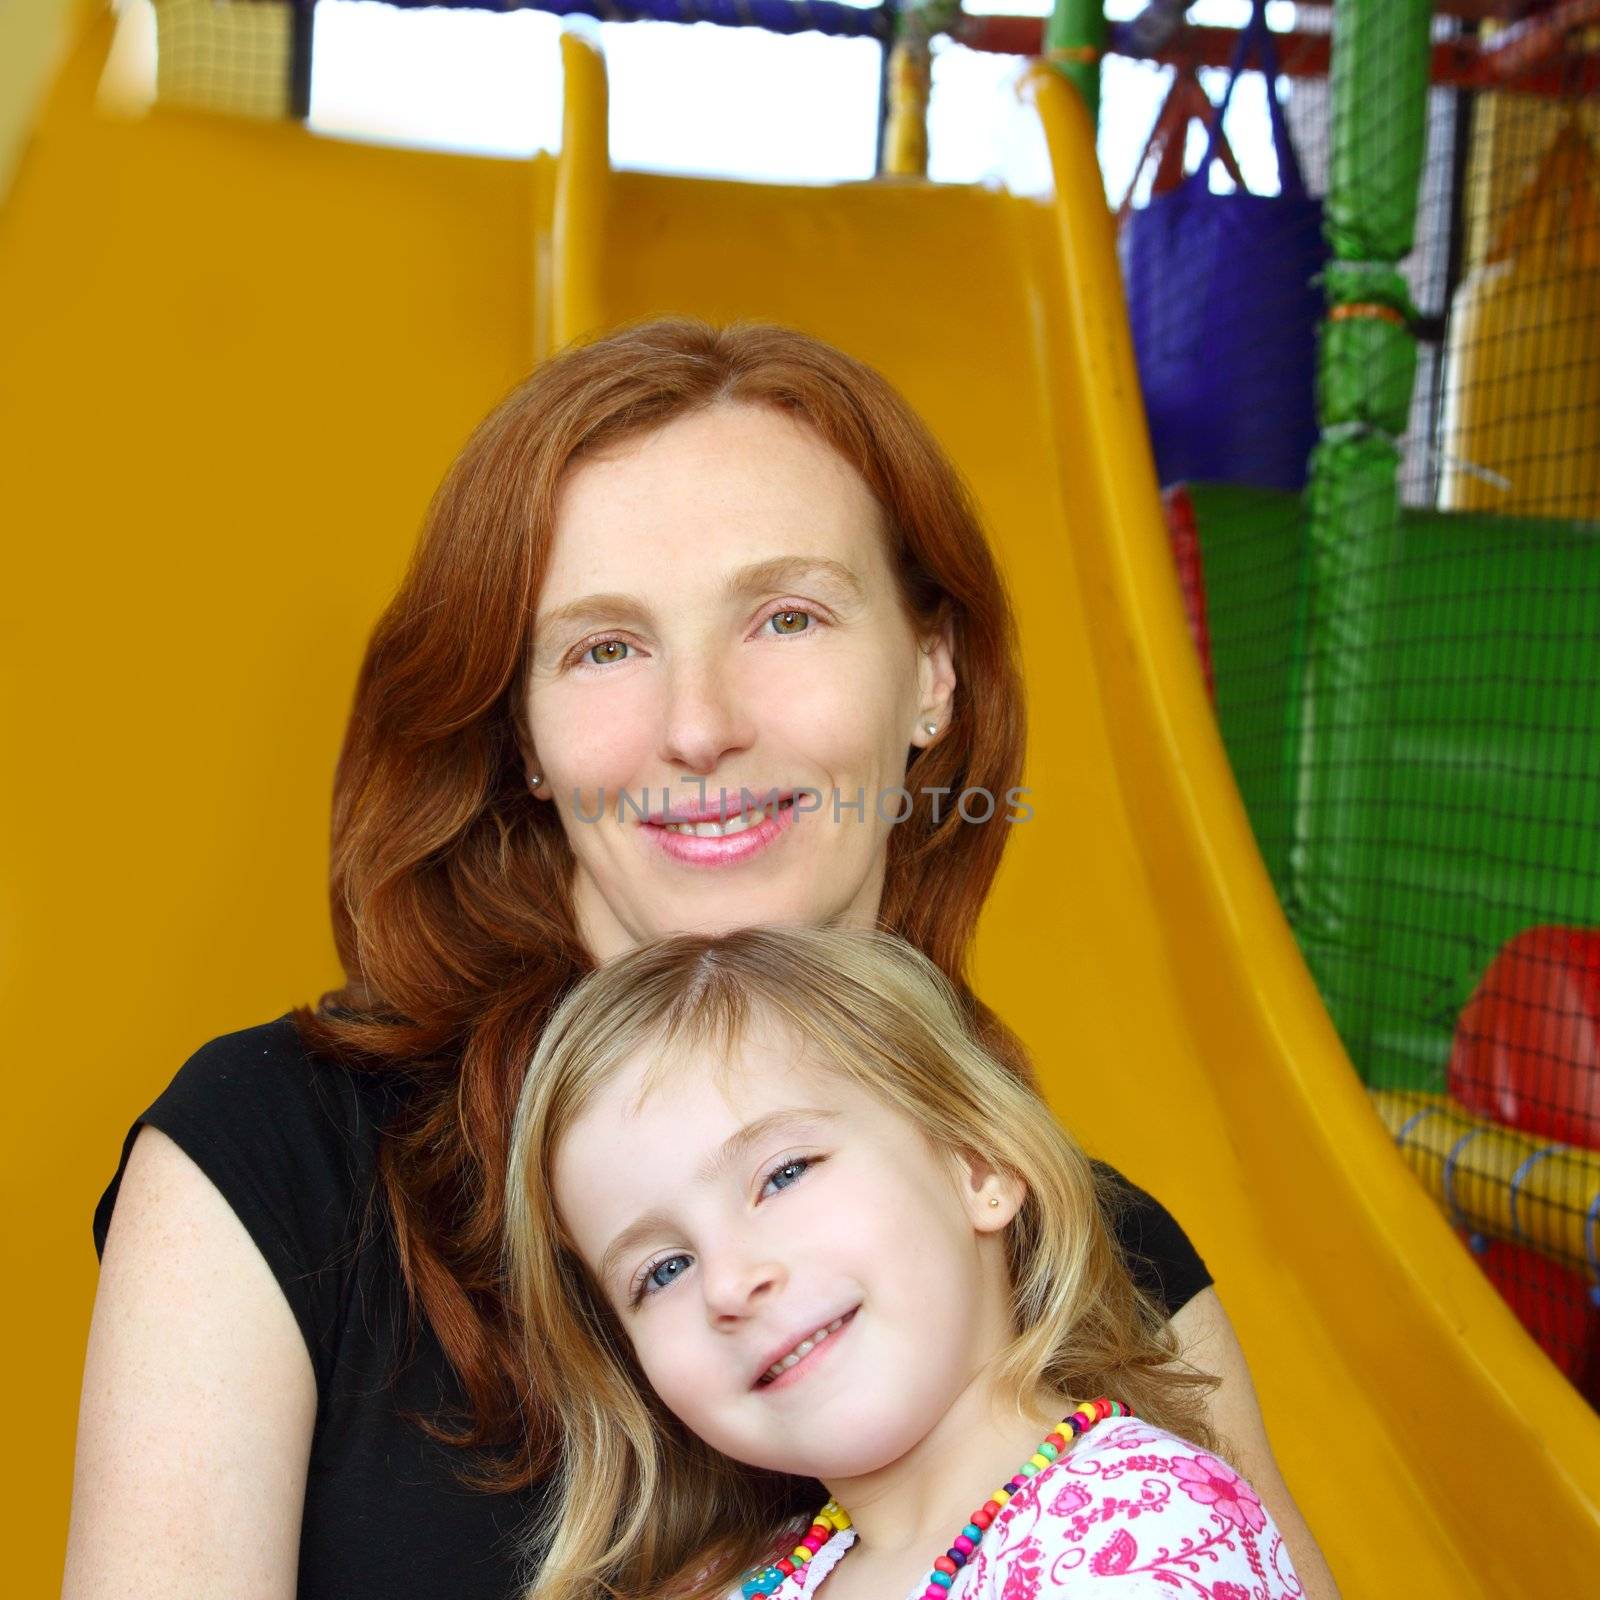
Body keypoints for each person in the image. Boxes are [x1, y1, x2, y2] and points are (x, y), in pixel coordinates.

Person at [66, 318, 1338, 1599]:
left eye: (785, 617)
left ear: (931, 677)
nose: (698, 727)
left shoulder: (1100, 1249)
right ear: (523, 737)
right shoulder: (281, 1155)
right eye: (604, 647)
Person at [503, 921, 1304, 1600]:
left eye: (783, 1175)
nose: (728, 1282)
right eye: (662, 1271)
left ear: (978, 1165)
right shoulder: (757, 1575)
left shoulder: (1147, 1526)